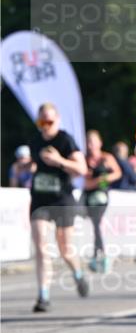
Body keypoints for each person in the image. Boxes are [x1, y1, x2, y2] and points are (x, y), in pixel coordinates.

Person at [28, 102, 90, 312]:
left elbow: (82, 169)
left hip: (62, 199)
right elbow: (36, 165)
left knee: (64, 249)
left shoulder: (65, 140)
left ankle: (78, 273)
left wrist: (59, 161)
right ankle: (43, 295)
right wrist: (27, 166)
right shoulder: (35, 140)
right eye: (41, 121)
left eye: (49, 121)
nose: (45, 125)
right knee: (41, 248)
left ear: (58, 120)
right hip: (40, 200)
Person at [82, 129, 122, 273]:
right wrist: (97, 180)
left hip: (102, 196)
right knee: (95, 224)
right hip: (88, 196)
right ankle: (97, 255)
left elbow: (118, 173)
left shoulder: (106, 157)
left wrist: (103, 179)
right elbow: (85, 184)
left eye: (93, 142)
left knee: (97, 222)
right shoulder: (84, 159)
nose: (91, 145)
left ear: (99, 143)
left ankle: (101, 256)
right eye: (88, 142)